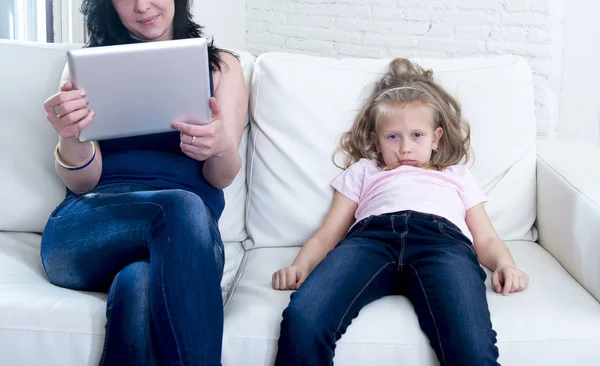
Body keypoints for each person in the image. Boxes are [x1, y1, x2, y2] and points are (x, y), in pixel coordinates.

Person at [272, 58, 529, 366]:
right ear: (376, 140)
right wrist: (300, 265)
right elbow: (328, 235)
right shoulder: (365, 170)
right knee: (304, 318)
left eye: (417, 136)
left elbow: (485, 237)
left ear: (436, 138)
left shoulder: (455, 175)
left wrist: (506, 265)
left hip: (442, 243)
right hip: (371, 240)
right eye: (393, 137)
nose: (405, 147)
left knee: (471, 344)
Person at [40, 0, 247, 365]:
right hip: (93, 227)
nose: (142, 5)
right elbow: (83, 184)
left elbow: (222, 175)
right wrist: (70, 137)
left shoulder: (221, 66)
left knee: (138, 284)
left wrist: (219, 146)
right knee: (180, 205)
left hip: (190, 236)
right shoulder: (88, 68)